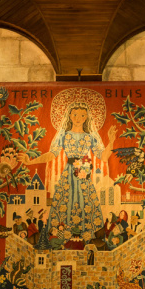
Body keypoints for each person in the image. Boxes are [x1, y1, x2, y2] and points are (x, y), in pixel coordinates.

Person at [22, 100, 119, 245]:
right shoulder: (64, 135)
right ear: (69, 116)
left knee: (87, 203)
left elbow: (103, 157)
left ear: (87, 117)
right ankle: (60, 239)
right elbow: (52, 154)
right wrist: (30, 162)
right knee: (64, 203)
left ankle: (89, 239)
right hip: (68, 175)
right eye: (75, 114)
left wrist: (111, 142)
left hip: (84, 174)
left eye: (82, 115)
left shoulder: (90, 136)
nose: (78, 118)